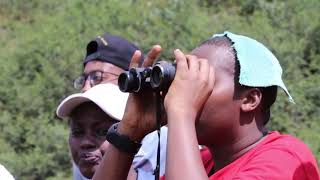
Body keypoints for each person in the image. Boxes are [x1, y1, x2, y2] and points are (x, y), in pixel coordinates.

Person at [92, 31, 320, 180]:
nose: (182, 89)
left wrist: (181, 111)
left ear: (250, 99)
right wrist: (130, 132)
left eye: (201, 80)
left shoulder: (285, 158)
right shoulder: (202, 164)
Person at [71, 33, 168, 179]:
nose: (85, 88)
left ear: (131, 80)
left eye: (96, 77)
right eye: (84, 79)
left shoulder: (165, 140)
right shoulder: (88, 158)